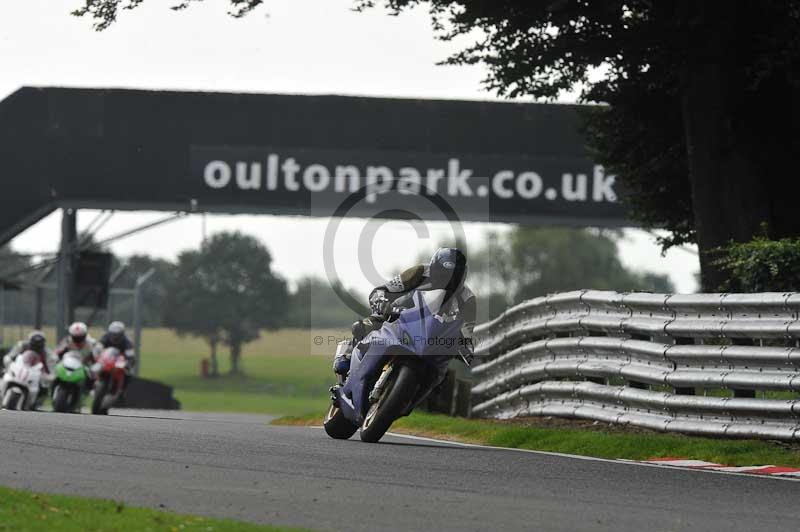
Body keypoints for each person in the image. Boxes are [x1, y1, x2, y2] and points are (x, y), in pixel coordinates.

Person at [334, 247, 476, 377]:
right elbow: (382, 290)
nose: (446, 284)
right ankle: (347, 353)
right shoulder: (418, 273)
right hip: (399, 316)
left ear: (461, 278)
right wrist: (382, 302)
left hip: (432, 337)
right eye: (442, 277)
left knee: (443, 374)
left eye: (452, 280)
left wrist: (464, 349)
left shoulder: (467, 299)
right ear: (433, 270)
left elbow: (467, 334)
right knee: (364, 327)